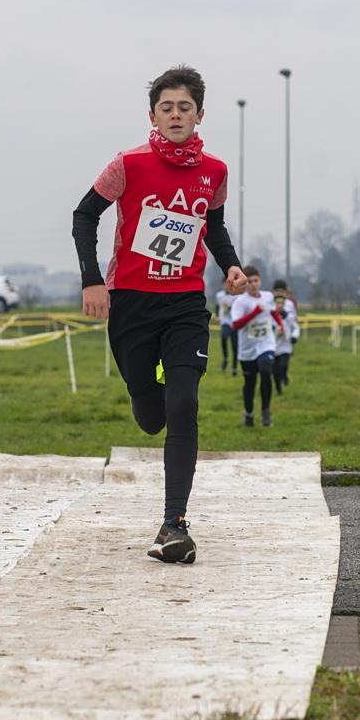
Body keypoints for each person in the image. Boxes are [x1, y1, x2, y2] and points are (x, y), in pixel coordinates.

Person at [71, 65, 245, 565]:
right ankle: (153, 390)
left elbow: (213, 226)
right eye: (166, 107)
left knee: (184, 403)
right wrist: (92, 279)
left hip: (185, 301)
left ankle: (174, 523)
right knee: (151, 418)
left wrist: (230, 265)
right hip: (132, 302)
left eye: (184, 107)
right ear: (152, 115)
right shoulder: (128, 164)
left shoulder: (215, 171)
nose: (175, 115)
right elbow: (85, 215)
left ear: (199, 114)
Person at [231, 266, 282, 426]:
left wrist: (280, 325)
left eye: (256, 281)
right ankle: (249, 413)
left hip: (266, 343)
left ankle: (265, 411)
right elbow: (236, 325)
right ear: (245, 283)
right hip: (247, 348)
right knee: (250, 383)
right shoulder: (240, 302)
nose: (253, 284)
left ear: (260, 281)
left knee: (266, 371)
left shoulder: (268, 296)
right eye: (250, 281)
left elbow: (273, 311)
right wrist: (254, 312)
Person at [270, 279, 300, 393]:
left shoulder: (289, 304)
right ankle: (278, 388)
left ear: (286, 292)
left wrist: (293, 336)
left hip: (286, 341)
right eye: (277, 291)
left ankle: (284, 375)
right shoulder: (269, 304)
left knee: (283, 365)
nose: (280, 293)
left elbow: (294, 321)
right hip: (272, 342)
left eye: (282, 291)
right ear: (273, 292)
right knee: (274, 369)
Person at [214, 284, 238, 374]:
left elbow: (238, 310)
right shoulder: (219, 295)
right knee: (224, 336)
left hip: (235, 322)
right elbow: (217, 306)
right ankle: (226, 358)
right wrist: (217, 315)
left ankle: (234, 367)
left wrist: (229, 306)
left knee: (235, 346)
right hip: (225, 321)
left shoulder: (237, 296)